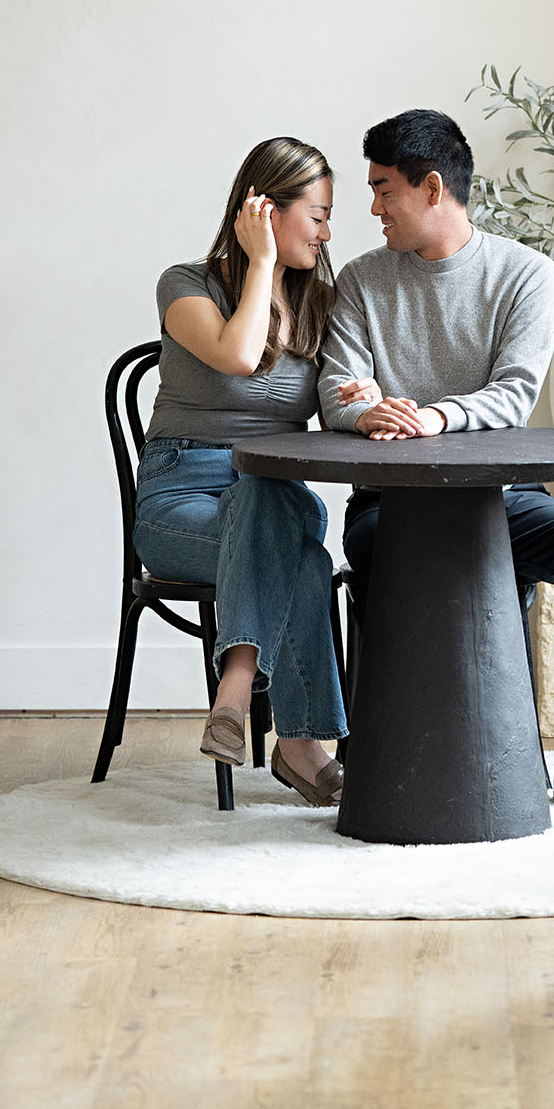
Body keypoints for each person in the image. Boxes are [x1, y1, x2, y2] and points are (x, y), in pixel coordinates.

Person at [318, 108, 554, 814]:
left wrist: (431, 414)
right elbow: (336, 389)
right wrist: (364, 409)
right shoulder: (361, 279)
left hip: (503, 497)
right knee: (386, 554)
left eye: (385, 190)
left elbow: (514, 393)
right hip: (389, 503)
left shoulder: (526, 275)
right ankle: (384, 751)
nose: (373, 207)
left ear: (432, 187)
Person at [134, 137, 373, 808]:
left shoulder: (324, 305)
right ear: (265, 212)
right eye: (318, 215)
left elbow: (335, 406)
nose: (328, 233)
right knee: (305, 562)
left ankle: (233, 695)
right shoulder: (186, 285)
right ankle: (295, 743)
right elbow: (239, 357)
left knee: (266, 484)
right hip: (180, 499)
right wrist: (262, 262)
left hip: (265, 493)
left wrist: (364, 401)